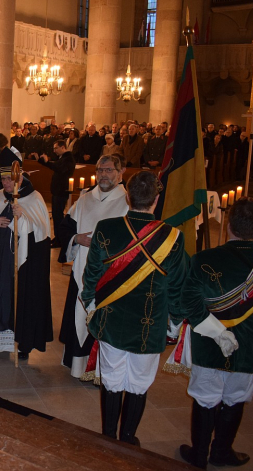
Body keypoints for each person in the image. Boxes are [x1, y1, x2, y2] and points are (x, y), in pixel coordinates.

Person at [81, 171, 187, 446]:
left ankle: (108, 438)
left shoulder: (106, 228)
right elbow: (176, 290)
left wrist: (91, 305)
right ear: (156, 200)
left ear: (127, 197)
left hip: (112, 321)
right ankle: (128, 439)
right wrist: (174, 323)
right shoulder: (174, 237)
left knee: (113, 378)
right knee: (138, 382)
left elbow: (90, 276)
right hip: (150, 324)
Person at [176, 197, 253, 469]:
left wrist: (217, 332)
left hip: (208, 347)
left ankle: (199, 454)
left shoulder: (203, 259)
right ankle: (221, 452)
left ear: (228, 223)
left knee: (205, 400)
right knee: (236, 399)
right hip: (248, 348)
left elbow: (188, 304)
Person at [0, 148, 52, 358]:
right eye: (3, 179)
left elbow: (41, 231)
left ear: (19, 175)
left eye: (9, 179)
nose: (5, 184)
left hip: (21, 265)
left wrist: (22, 219)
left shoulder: (34, 198)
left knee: (20, 298)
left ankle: (23, 342)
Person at [57, 155, 129, 379]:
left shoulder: (127, 202)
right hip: (82, 270)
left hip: (110, 274)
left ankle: (101, 370)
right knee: (78, 315)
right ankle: (78, 365)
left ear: (121, 172)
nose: (103, 175)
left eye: (108, 170)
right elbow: (65, 227)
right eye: (100, 170)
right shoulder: (85, 199)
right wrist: (76, 238)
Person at [38, 138, 76, 248]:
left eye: (56, 148)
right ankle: (57, 237)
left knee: (58, 215)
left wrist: (46, 162)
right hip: (57, 190)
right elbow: (55, 167)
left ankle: (60, 240)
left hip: (61, 190)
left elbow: (59, 168)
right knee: (56, 215)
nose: (54, 151)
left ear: (62, 147)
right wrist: (42, 161)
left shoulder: (68, 158)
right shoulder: (63, 158)